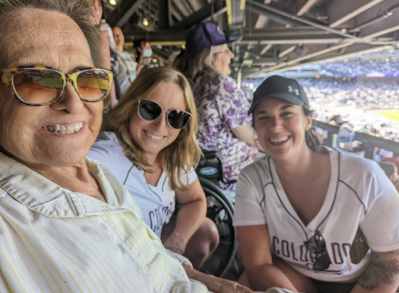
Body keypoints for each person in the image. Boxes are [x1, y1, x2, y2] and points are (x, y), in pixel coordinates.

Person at [0, 1, 252, 292]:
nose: (73, 103)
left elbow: (155, 259)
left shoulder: (100, 177)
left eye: (88, 79)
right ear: (130, 106)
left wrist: (208, 280)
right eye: (37, 80)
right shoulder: (106, 158)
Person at [233, 75, 399, 293]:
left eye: (287, 113)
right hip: (297, 277)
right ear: (255, 128)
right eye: (263, 117)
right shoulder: (252, 178)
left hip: (364, 283)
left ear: (309, 120)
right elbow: (257, 264)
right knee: (246, 280)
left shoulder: (364, 175)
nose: (276, 125)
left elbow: (390, 263)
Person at [88, 67, 220, 269]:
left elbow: (196, 199)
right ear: (132, 106)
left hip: (155, 252)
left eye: (175, 117)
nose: (160, 126)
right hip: (119, 261)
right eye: (150, 109)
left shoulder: (172, 155)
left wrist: (176, 242)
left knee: (206, 233)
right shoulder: (105, 157)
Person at [174, 22, 262, 192]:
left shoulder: (186, 84)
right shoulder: (221, 85)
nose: (231, 55)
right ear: (209, 59)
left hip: (203, 176)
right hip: (233, 180)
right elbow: (255, 138)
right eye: (226, 51)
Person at [113, 26, 139, 97]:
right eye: (115, 35)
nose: (118, 37)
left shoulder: (128, 55)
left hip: (132, 93)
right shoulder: (113, 56)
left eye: (120, 34)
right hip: (121, 95)